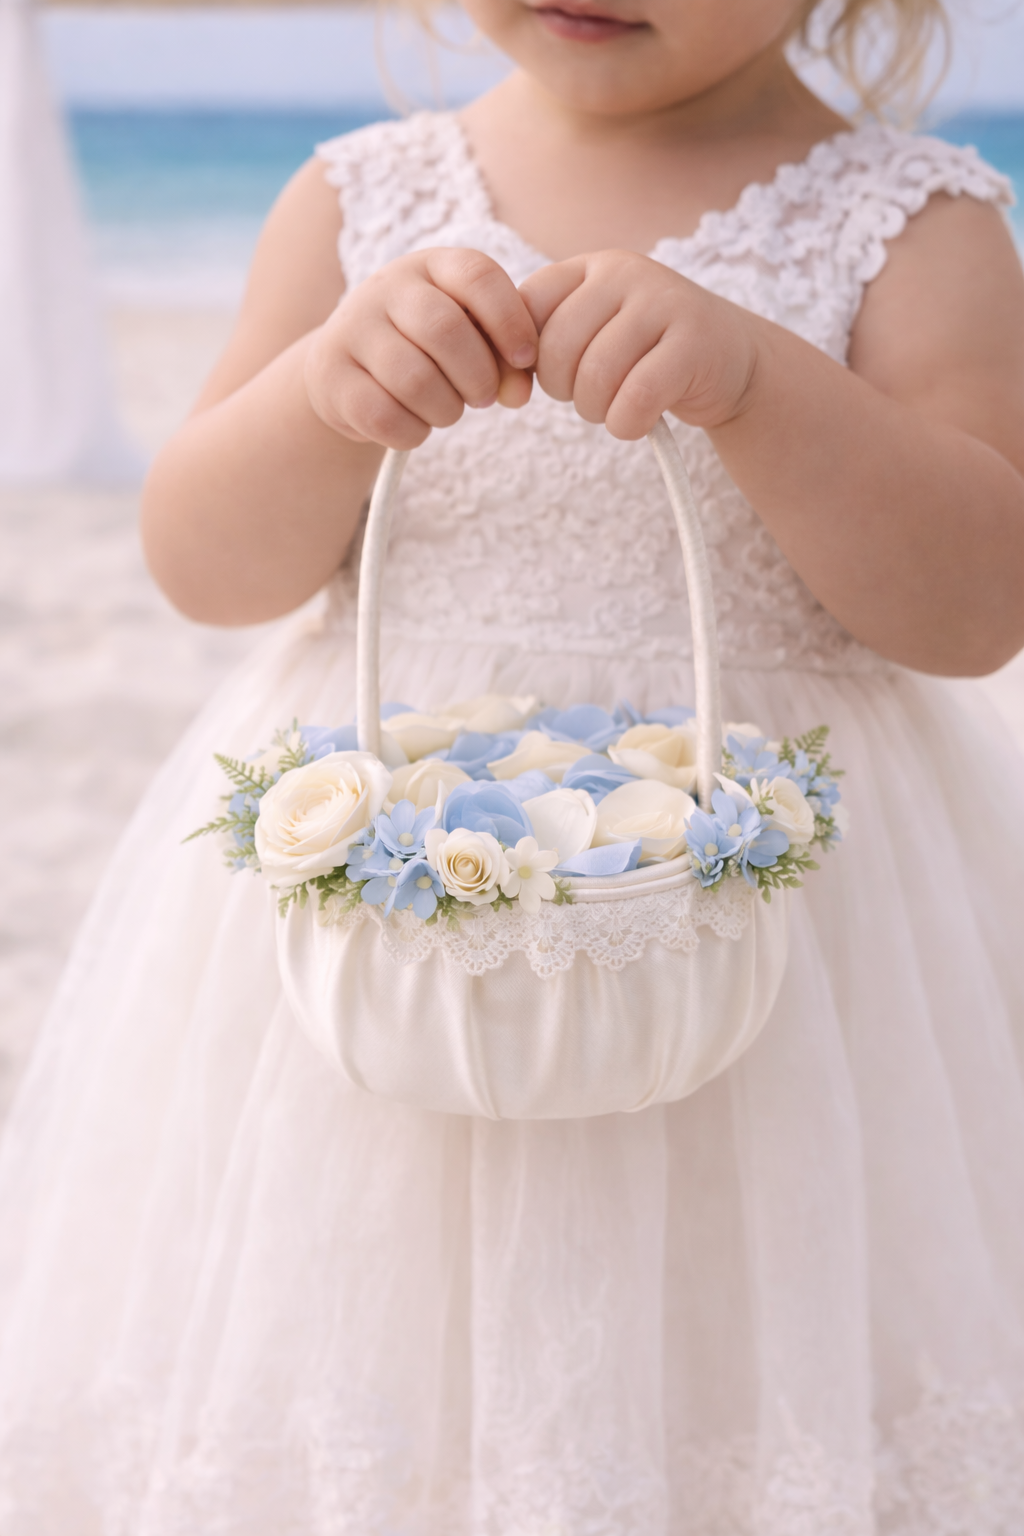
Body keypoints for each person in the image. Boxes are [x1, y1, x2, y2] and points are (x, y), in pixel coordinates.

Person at [2, 0, 1024, 1528]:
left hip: (769, 943)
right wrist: (325, 398)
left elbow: (973, 604)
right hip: (390, 918)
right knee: (369, 1356)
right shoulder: (359, 197)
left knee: (744, 1360)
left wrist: (758, 382)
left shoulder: (917, 223)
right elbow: (204, 566)